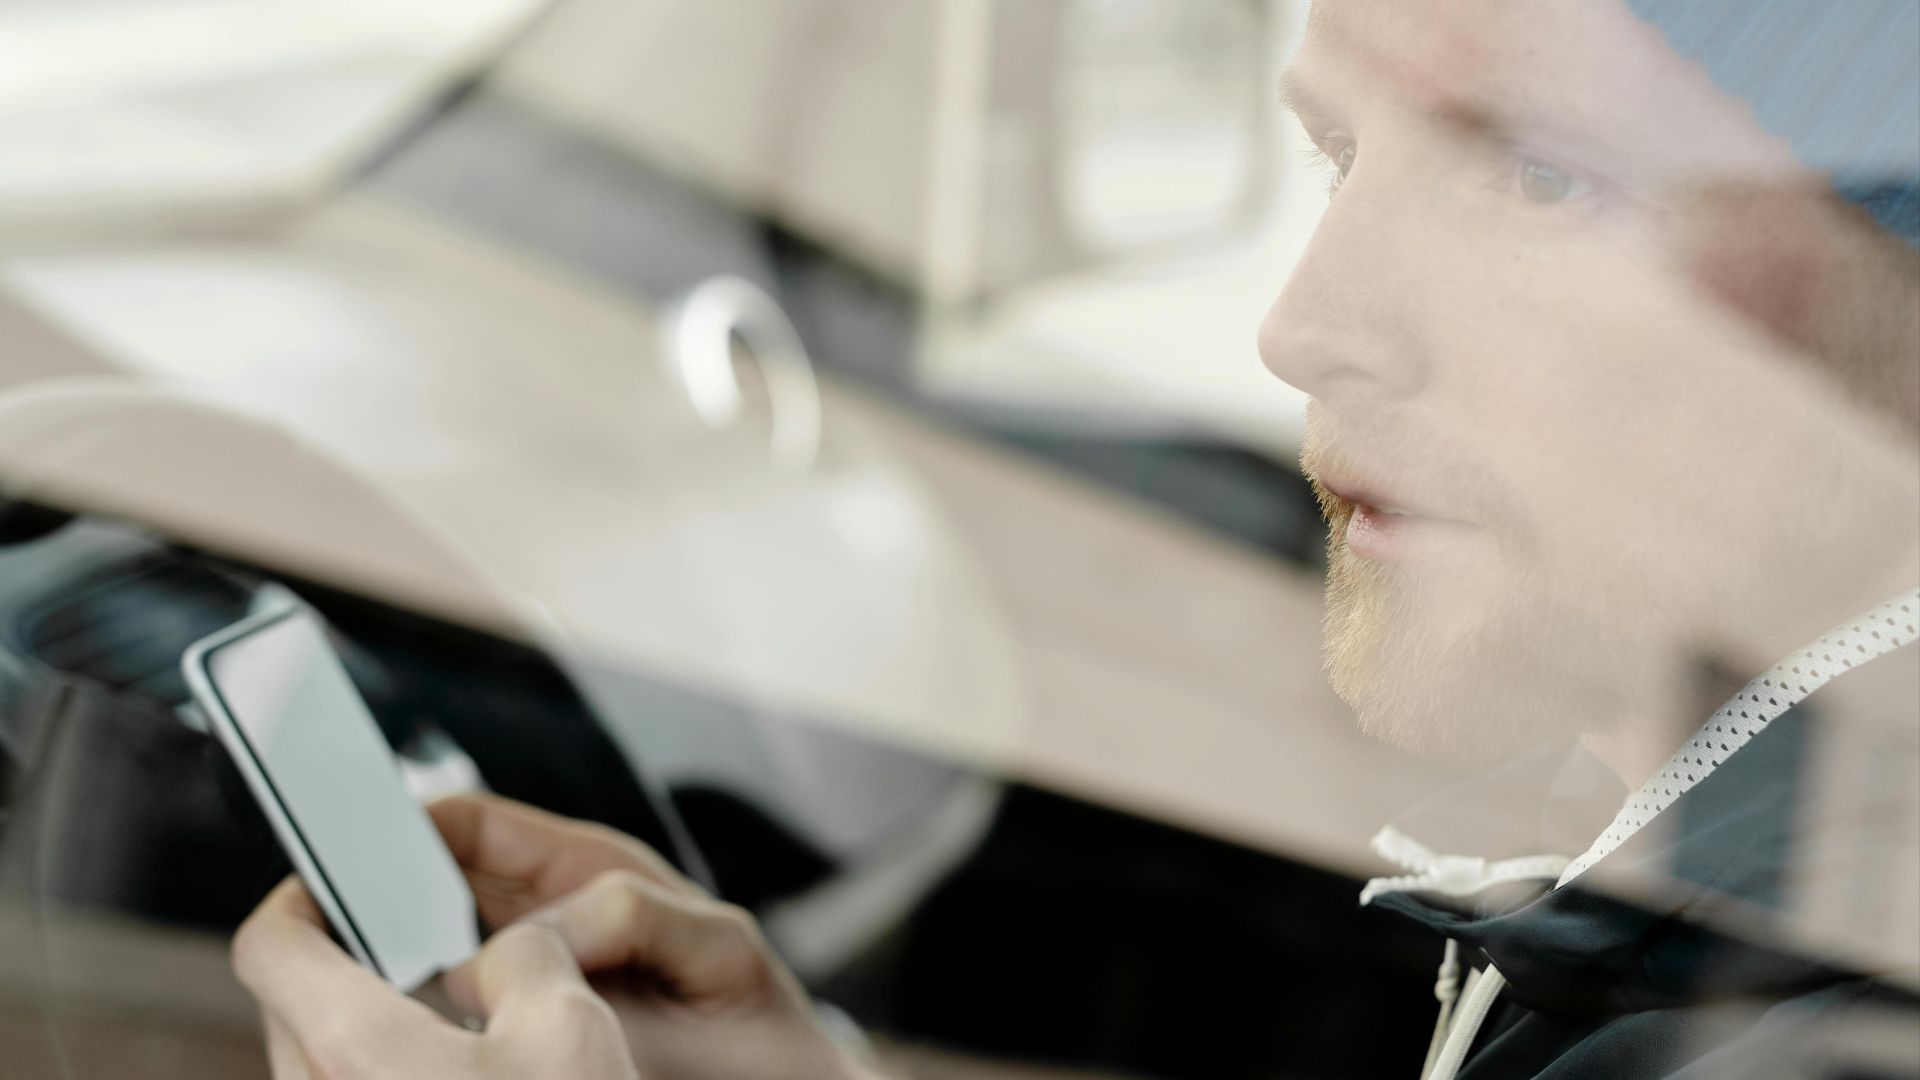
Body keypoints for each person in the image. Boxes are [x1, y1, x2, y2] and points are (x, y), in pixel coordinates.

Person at [231, 1, 1920, 1077]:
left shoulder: (1812, 1023)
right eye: (1336, 151)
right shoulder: (1673, 903)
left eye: (1545, 178)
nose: (1305, 321)